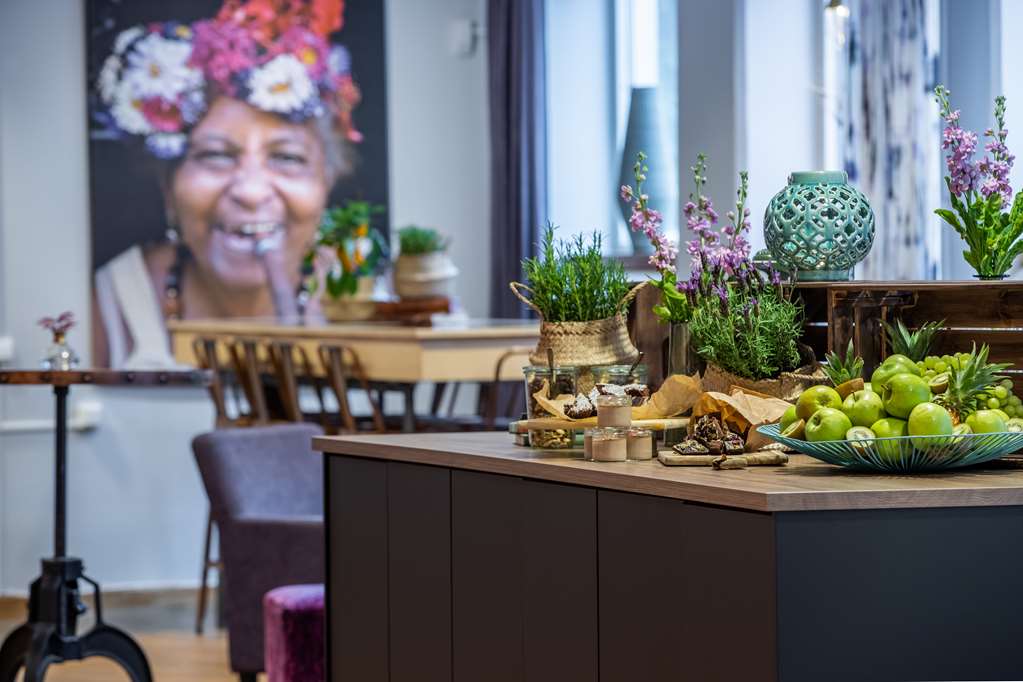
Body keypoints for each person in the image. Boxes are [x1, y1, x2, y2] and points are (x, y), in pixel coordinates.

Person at [91, 0, 360, 368]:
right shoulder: (112, 304)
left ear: (326, 181)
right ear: (169, 185)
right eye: (216, 155)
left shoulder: (364, 294)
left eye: (286, 158)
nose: (251, 192)